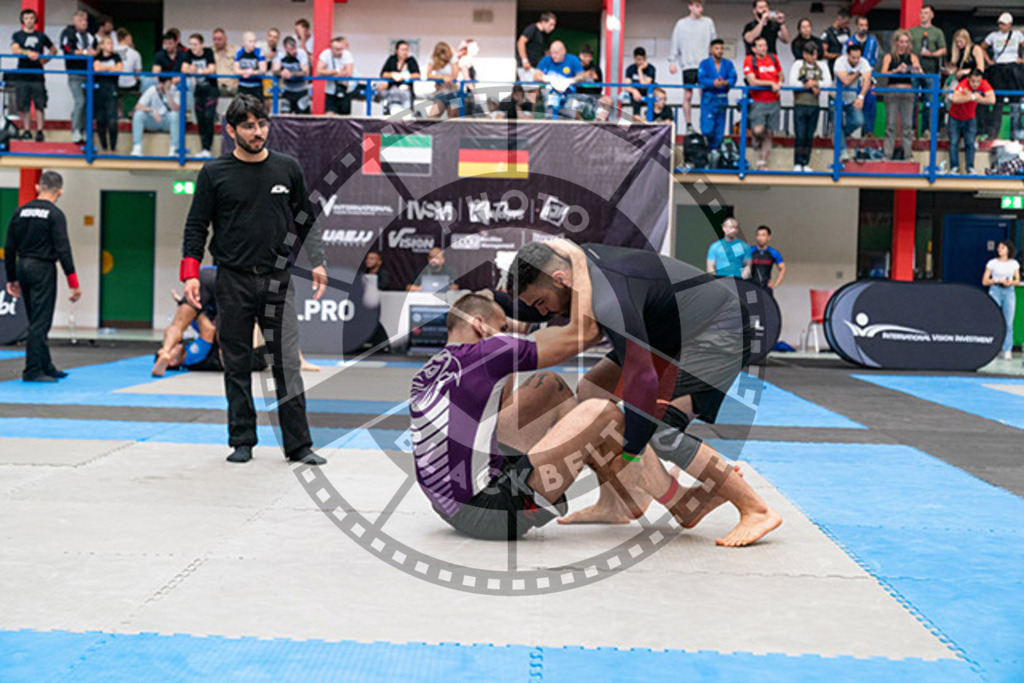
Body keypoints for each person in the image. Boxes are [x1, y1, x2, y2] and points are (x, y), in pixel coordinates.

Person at [509, 242, 782, 546]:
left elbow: (643, 379)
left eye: (541, 302)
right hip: (669, 331)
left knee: (659, 430)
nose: (543, 312)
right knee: (592, 390)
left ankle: (756, 509)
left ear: (560, 279)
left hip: (719, 326)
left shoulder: (608, 299)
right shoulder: (580, 266)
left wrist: (631, 452)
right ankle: (614, 504)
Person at [180, 95, 328, 465]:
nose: (257, 132)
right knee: (236, 362)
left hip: (278, 280)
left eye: (262, 124)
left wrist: (319, 261)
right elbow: (196, 225)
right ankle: (242, 440)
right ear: (231, 131)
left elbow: (305, 218)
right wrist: (190, 273)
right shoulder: (214, 173)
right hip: (233, 279)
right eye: (248, 126)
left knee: (287, 364)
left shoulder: (287, 168)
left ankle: (299, 445)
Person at [3, 171, 80, 383]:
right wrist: (73, 282)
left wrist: (11, 278)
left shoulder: (20, 212)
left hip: (23, 266)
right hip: (42, 269)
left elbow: (9, 247)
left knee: (35, 319)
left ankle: (46, 365)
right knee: (41, 321)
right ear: (60, 192)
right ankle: (32, 369)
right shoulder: (55, 215)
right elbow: (63, 249)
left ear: (38, 188)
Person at [668, 0, 716, 133]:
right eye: (697, 6)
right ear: (690, 7)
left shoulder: (708, 22)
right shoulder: (681, 24)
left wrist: (715, 62)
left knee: (704, 95)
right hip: (688, 65)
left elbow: (714, 43)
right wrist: (672, 61)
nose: (700, 9)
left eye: (701, 6)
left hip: (704, 65)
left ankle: (705, 122)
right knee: (688, 95)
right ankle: (688, 124)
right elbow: (675, 43)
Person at [10, 9, 56, 142]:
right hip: (23, 73)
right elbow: (14, 49)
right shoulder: (18, 35)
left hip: (37, 74)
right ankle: (27, 130)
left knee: (40, 104)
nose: (29, 21)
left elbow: (53, 49)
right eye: (26, 18)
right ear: (22, 20)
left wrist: (45, 60)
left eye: (31, 18)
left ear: (35, 20)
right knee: (24, 104)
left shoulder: (41, 36)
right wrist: (27, 52)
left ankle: (40, 131)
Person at [880, 30, 923, 161]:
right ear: (896, 42)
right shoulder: (889, 57)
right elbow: (883, 73)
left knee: (907, 125)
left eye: (906, 42)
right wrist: (897, 70)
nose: (904, 45)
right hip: (892, 91)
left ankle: (908, 155)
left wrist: (914, 70)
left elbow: (921, 72)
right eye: (901, 42)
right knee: (890, 124)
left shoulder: (912, 57)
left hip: (907, 92)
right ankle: (887, 154)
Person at [981, 13, 1024, 141]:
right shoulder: (993, 36)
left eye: (1004, 24)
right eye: (1000, 24)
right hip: (998, 68)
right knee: (997, 102)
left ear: (1010, 24)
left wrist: (1022, 59)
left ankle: (1016, 135)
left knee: (1015, 102)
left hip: (1013, 68)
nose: (1002, 26)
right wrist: (989, 61)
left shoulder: (1017, 35)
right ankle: (994, 134)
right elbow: (981, 47)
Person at [789, 42, 831, 172]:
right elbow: (792, 82)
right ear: (805, 54)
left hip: (814, 105)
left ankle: (806, 162)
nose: (814, 57)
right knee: (800, 135)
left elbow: (828, 82)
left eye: (816, 54)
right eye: (811, 55)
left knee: (809, 135)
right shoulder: (798, 64)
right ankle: (797, 162)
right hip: (800, 104)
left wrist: (815, 83)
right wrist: (806, 85)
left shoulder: (822, 65)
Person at [743, 37, 782, 170]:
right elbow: (752, 81)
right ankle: (755, 137)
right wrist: (770, 83)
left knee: (769, 133)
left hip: (774, 100)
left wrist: (779, 82)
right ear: (754, 49)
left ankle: (762, 162)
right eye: (760, 46)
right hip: (758, 100)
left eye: (765, 45)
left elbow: (780, 74)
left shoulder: (773, 58)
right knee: (759, 130)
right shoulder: (750, 60)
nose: (763, 48)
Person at [59, 11, 97, 144]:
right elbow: (68, 50)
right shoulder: (68, 32)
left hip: (89, 73)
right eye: (80, 20)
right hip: (75, 72)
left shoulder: (91, 36)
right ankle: (75, 130)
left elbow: (96, 51)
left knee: (88, 103)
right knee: (80, 101)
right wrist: (85, 52)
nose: (84, 23)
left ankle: (84, 130)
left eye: (85, 20)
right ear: (75, 21)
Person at [948, 69, 995, 174]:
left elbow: (992, 99)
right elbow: (955, 99)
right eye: (973, 81)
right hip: (955, 117)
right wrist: (973, 96)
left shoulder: (983, 84)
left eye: (978, 81)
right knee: (954, 142)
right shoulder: (963, 83)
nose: (975, 84)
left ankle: (970, 167)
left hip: (970, 118)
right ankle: (954, 167)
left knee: (970, 143)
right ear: (968, 79)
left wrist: (973, 97)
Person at [982, 241, 1021, 360]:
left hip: (1009, 291)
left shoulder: (1014, 263)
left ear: (1008, 249)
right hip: (995, 290)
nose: (999, 249)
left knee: (1008, 322)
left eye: (1002, 247)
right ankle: (991, 348)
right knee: (993, 320)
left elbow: (1017, 280)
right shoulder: (992, 263)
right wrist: (996, 280)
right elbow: (985, 281)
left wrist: (1010, 282)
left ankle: (1007, 349)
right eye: (999, 247)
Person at [834, 43, 872, 162]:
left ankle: (839, 135)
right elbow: (845, 81)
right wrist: (857, 73)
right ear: (847, 55)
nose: (856, 60)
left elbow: (867, 80)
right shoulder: (840, 62)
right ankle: (843, 152)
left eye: (858, 58)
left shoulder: (864, 62)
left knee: (858, 121)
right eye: (853, 57)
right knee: (837, 123)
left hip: (851, 99)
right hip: (835, 98)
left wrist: (861, 97)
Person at [698, 39, 737, 153]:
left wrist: (726, 82)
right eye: (717, 48)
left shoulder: (728, 64)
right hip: (709, 100)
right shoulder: (704, 63)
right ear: (711, 50)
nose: (720, 51)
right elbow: (701, 78)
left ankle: (714, 155)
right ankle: (707, 149)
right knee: (707, 130)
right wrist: (713, 83)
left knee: (719, 132)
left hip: (722, 99)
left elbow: (733, 77)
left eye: (721, 48)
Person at [182, 33, 218, 157]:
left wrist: (198, 71)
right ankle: (203, 148)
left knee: (208, 118)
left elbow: (212, 69)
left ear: (202, 44)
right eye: (191, 44)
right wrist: (189, 70)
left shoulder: (208, 52)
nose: (193, 47)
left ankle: (208, 148)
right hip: (199, 90)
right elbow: (184, 68)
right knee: (200, 119)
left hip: (211, 89)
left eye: (195, 44)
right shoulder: (188, 54)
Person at [844, 16, 880, 136]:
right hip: (852, 79)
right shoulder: (849, 42)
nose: (863, 28)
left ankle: (868, 132)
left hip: (867, 78)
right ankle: (847, 133)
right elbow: (844, 60)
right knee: (851, 106)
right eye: (861, 25)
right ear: (856, 26)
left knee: (870, 105)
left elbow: (874, 60)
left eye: (865, 25)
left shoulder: (873, 41)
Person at [533, 41, 584, 119]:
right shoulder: (546, 60)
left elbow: (582, 76)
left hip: (569, 95)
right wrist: (547, 78)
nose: (553, 56)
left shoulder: (573, 59)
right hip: (551, 95)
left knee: (569, 119)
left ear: (564, 51)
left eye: (556, 53)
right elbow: (536, 75)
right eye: (551, 53)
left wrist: (571, 80)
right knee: (551, 118)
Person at [130, 78, 181, 157]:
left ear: (170, 83)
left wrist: (168, 93)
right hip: (153, 120)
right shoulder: (152, 89)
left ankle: (174, 149)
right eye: (161, 83)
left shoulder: (175, 90)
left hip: (166, 121)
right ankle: (137, 147)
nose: (162, 85)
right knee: (138, 115)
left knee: (174, 115)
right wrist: (152, 110)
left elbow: (176, 109)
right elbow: (138, 106)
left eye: (165, 83)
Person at [517, 11, 557, 103]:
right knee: (532, 92)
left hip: (536, 67)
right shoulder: (532, 29)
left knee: (538, 91)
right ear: (543, 22)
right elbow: (521, 42)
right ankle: (528, 110)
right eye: (550, 24)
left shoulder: (544, 35)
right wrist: (524, 60)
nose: (552, 28)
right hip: (528, 66)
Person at [92, 35, 123, 153]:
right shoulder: (97, 57)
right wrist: (111, 68)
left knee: (112, 120)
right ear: (102, 45)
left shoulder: (116, 56)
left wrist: (104, 68)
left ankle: (113, 147)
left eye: (112, 43)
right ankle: (104, 147)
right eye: (108, 43)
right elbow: (96, 69)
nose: (111, 46)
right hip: (99, 89)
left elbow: (119, 69)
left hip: (112, 88)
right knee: (100, 120)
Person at [379, 40, 421, 115]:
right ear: (396, 51)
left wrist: (404, 76)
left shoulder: (411, 60)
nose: (405, 52)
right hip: (393, 92)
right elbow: (383, 73)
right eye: (402, 50)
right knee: (394, 111)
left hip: (406, 92)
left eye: (406, 50)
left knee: (407, 114)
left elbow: (417, 74)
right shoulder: (392, 59)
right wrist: (392, 74)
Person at [318, 36, 355, 115]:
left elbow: (349, 73)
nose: (340, 52)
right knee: (329, 116)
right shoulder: (325, 54)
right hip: (330, 91)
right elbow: (319, 72)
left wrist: (329, 73)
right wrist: (334, 71)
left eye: (341, 49)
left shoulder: (347, 54)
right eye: (337, 49)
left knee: (345, 118)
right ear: (331, 49)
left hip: (345, 90)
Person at [273, 36, 310, 115]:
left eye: (295, 48)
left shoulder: (301, 53)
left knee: (302, 117)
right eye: (291, 49)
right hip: (287, 90)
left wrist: (291, 74)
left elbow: (305, 72)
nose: (294, 51)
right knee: (285, 115)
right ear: (285, 49)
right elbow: (275, 70)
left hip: (301, 90)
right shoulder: (280, 54)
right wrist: (282, 72)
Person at [425, 42, 459, 119]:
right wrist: (442, 77)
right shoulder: (433, 59)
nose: (448, 55)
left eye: (449, 52)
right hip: (441, 93)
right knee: (431, 117)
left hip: (455, 93)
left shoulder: (454, 58)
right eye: (445, 54)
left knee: (453, 119)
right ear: (439, 55)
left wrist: (437, 77)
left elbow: (454, 76)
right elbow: (428, 75)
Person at [116, 28, 143, 118]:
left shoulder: (111, 50)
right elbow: (138, 75)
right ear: (127, 37)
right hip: (131, 85)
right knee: (145, 90)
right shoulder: (135, 53)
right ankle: (134, 112)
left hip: (115, 84)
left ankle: (119, 112)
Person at [234, 32, 268, 101]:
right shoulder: (239, 52)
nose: (253, 44)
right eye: (250, 42)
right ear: (244, 43)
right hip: (243, 86)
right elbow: (236, 70)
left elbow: (263, 69)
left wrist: (252, 72)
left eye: (254, 41)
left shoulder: (259, 52)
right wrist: (246, 71)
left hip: (256, 86)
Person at [624, 47, 657, 118]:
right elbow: (626, 86)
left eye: (642, 59)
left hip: (648, 92)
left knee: (654, 95)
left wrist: (640, 70)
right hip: (636, 92)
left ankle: (650, 117)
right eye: (638, 59)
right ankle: (637, 116)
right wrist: (634, 91)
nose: (640, 62)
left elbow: (644, 85)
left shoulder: (651, 68)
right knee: (636, 97)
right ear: (634, 58)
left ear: (645, 58)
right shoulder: (630, 69)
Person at [575, 45, 604, 119]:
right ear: (580, 56)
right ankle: (580, 123)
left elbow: (600, 87)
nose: (588, 59)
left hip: (594, 96)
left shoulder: (595, 68)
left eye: (590, 56)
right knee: (571, 103)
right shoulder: (575, 68)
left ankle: (599, 123)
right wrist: (584, 76)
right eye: (585, 56)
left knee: (608, 101)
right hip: (579, 96)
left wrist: (594, 79)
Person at [821, 8, 851, 75]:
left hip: (845, 65)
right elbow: (823, 53)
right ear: (839, 18)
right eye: (846, 22)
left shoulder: (846, 31)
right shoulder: (828, 32)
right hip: (832, 65)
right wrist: (837, 55)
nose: (847, 25)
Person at [212, 28, 238, 97]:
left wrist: (238, 82)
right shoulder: (210, 51)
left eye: (219, 39)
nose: (217, 42)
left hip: (233, 85)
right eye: (214, 39)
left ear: (225, 38)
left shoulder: (234, 50)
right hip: (217, 85)